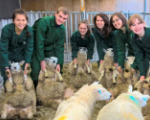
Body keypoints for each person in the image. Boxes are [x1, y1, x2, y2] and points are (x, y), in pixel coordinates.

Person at [31, 7, 69, 88]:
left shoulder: (62, 28)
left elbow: (59, 47)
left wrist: (59, 63)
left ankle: (52, 88)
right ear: (55, 14)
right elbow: (39, 42)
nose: (61, 20)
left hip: (48, 46)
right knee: (36, 68)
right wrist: (41, 60)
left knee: (56, 66)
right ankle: (36, 90)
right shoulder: (44, 22)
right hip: (35, 46)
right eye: (60, 16)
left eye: (64, 18)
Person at [0, 9, 33, 87]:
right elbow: (3, 49)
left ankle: (23, 93)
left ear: (26, 21)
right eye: (18, 20)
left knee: (24, 74)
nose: (21, 23)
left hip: (20, 54)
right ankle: (7, 93)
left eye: (23, 20)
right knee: (7, 76)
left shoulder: (29, 30)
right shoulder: (6, 30)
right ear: (13, 20)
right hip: (7, 55)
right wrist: (6, 67)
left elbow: (29, 47)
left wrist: (27, 63)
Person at [128, 14, 150, 81]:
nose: (136, 27)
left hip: (148, 57)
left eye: (139, 23)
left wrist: (143, 73)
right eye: (133, 25)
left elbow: (147, 55)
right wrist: (142, 74)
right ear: (130, 27)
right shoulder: (133, 38)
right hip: (146, 56)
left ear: (143, 24)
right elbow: (138, 55)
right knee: (134, 68)